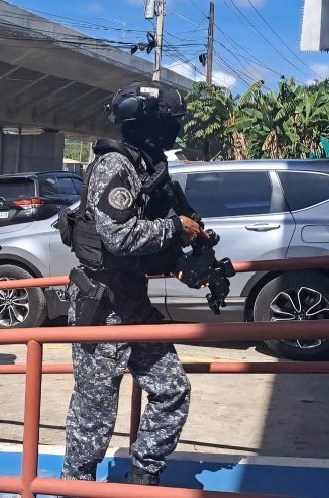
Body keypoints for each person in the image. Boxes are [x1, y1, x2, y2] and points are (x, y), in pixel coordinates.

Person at [59, 81, 204, 488]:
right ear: (151, 125)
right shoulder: (115, 166)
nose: (176, 130)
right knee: (95, 414)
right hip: (102, 303)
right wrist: (176, 228)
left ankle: (145, 474)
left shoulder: (145, 164)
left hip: (132, 300)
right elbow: (118, 237)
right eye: (171, 122)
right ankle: (73, 489)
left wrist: (177, 256)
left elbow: (141, 235)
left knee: (171, 387)